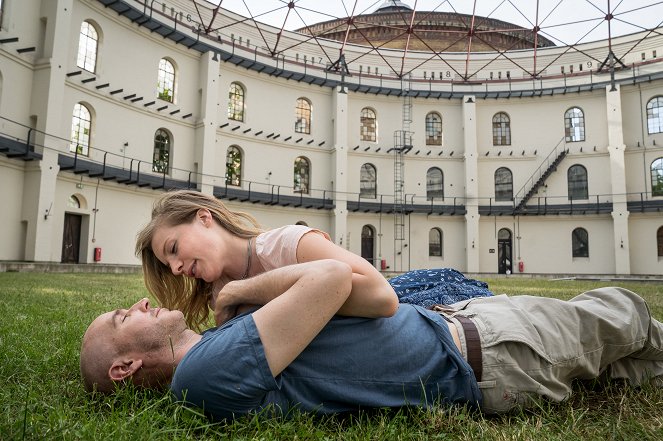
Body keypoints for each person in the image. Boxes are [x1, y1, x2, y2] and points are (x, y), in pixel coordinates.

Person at [80, 260, 663, 420]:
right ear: (126, 366)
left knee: (630, 368)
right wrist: (240, 292)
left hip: (476, 338)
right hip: (486, 348)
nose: (136, 304)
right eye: (119, 317)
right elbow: (333, 279)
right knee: (623, 314)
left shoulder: (212, 360)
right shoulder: (201, 377)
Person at [135, 190, 492, 330]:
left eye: (173, 249)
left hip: (433, 303)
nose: (177, 268)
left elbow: (384, 299)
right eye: (170, 267)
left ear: (203, 217)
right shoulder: (218, 294)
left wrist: (248, 290)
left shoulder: (285, 244)